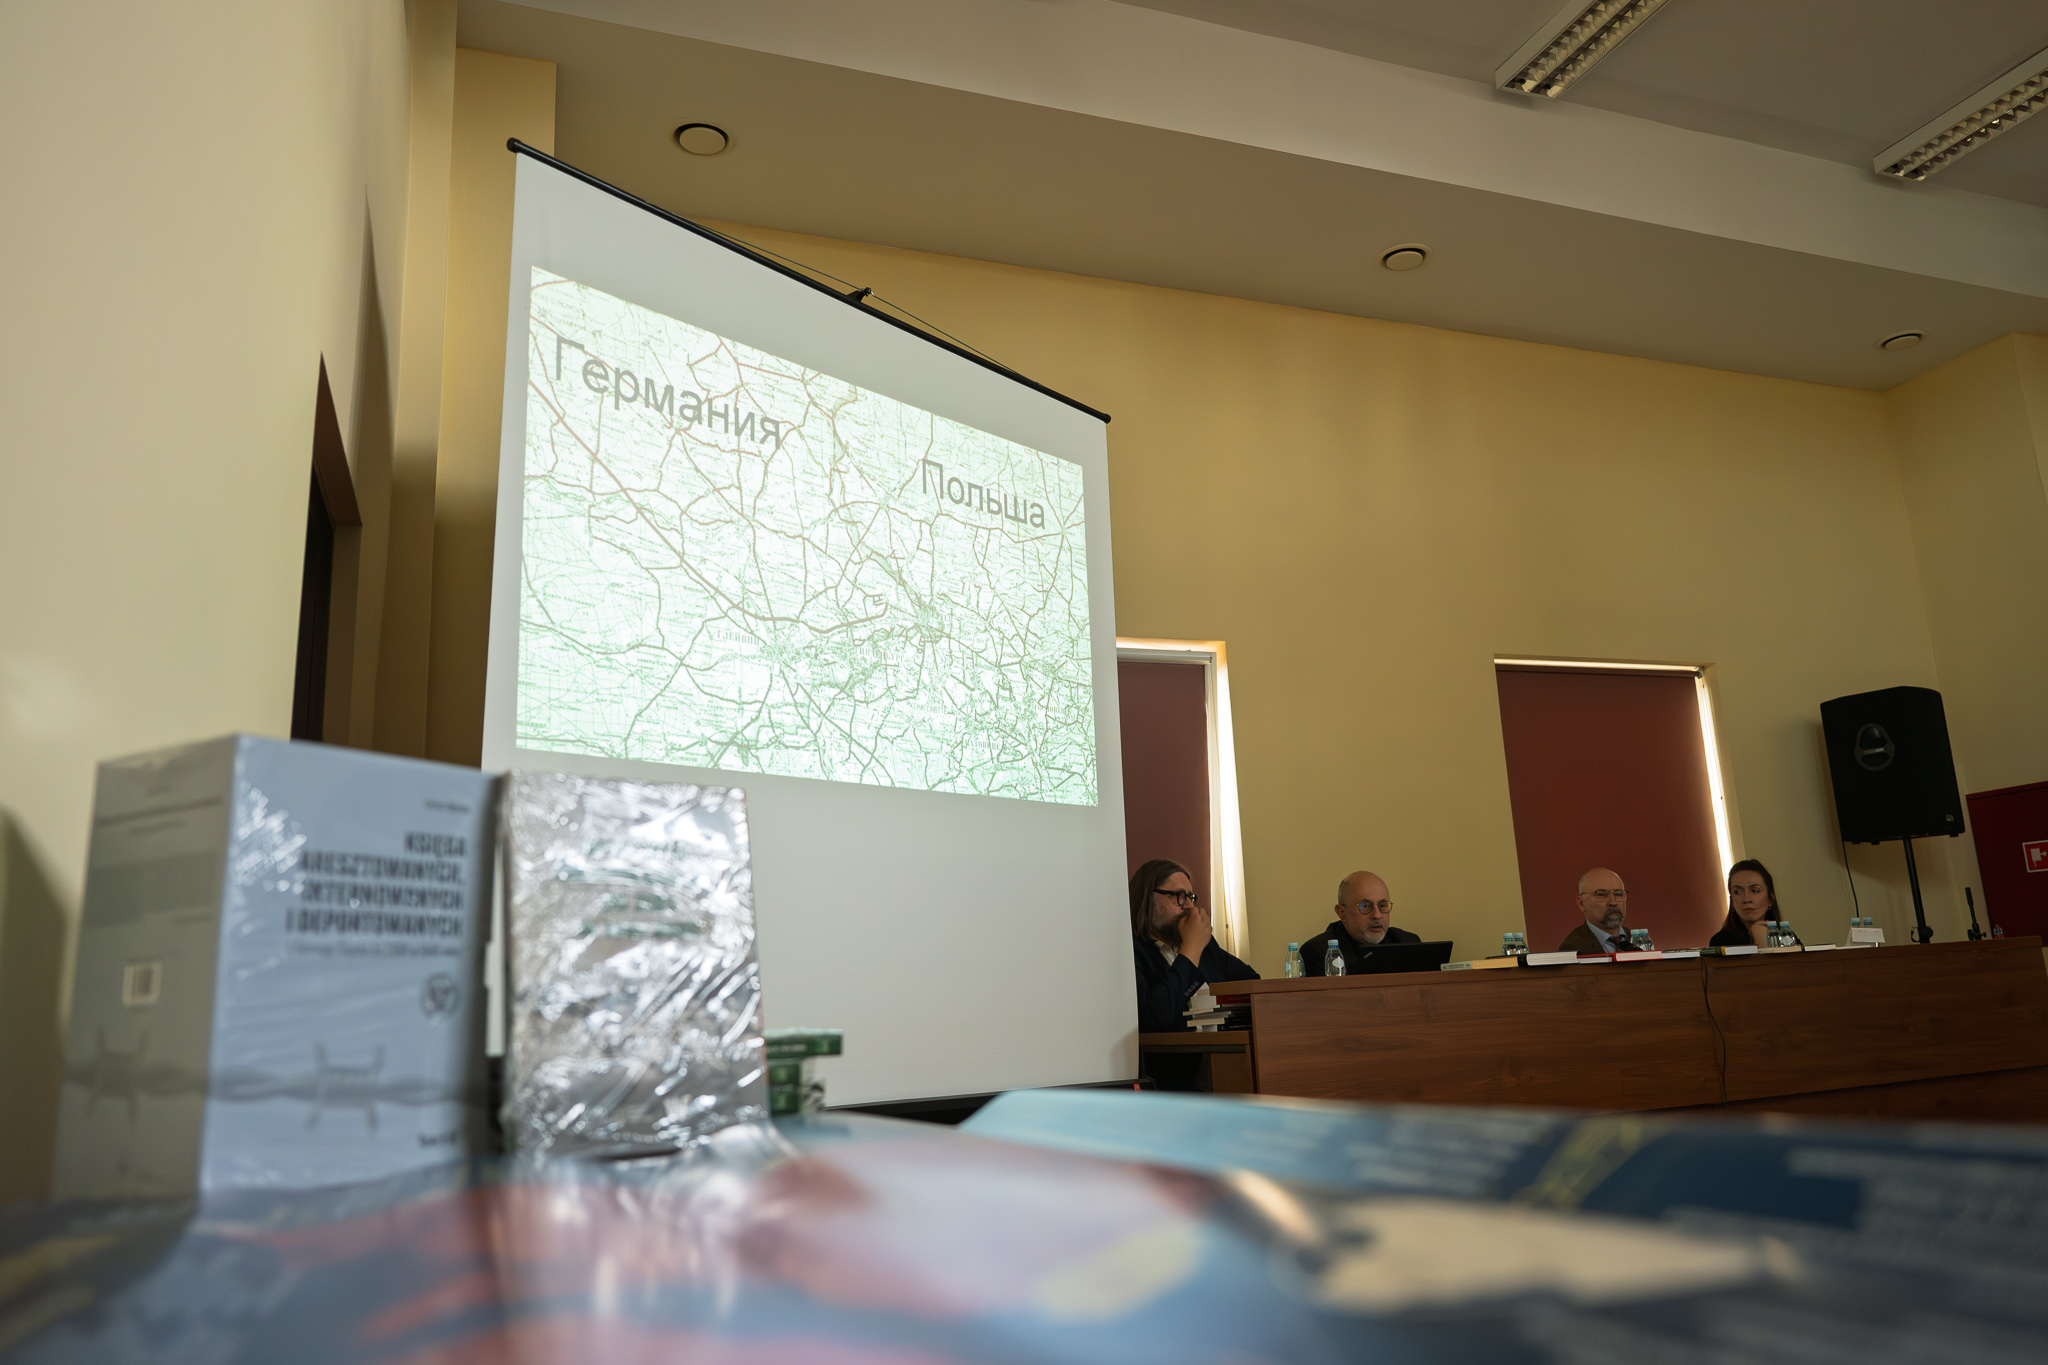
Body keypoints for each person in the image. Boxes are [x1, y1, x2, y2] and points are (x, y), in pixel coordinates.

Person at [1130, 858, 1258, 1034]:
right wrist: (1190, 950)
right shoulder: (1132, 951)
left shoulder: (1204, 944)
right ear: (1147, 898)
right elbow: (1156, 1019)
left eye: (1190, 897)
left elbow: (1252, 984)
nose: (1190, 906)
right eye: (1179, 895)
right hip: (1170, 1051)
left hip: (1219, 1047)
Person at [1302, 870, 1422, 975]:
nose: (1377, 915)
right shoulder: (1319, 952)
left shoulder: (1407, 942)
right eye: (1365, 906)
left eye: (1382, 906)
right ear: (1342, 913)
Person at [1709, 859, 1802, 948]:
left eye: (1755, 890)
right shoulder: (1720, 941)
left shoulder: (1786, 936)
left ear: (1771, 899)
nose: (1746, 899)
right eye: (1738, 892)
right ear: (1732, 901)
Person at [1556, 867, 1629, 954]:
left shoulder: (1639, 940)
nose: (1613, 902)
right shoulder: (1572, 948)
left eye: (1619, 894)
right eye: (1602, 894)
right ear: (1581, 903)